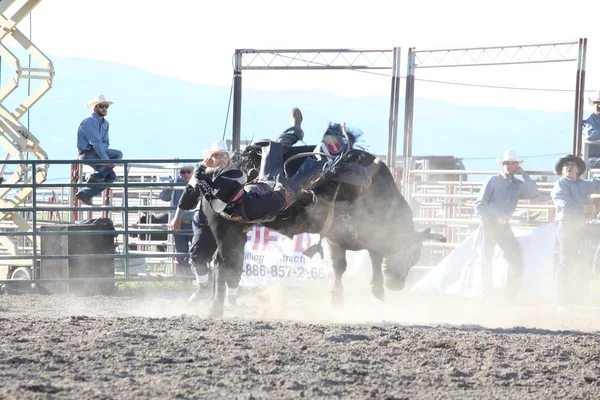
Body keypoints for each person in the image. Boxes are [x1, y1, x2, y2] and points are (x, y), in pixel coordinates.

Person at [474, 150, 540, 299]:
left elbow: (534, 192)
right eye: (507, 163)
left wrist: (524, 174)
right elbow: (479, 204)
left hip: (503, 225)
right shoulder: (492, 180)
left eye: (512, 163)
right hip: (490, 223)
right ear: (502, 165)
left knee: (515, 257)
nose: (510, 166)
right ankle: (487, 295)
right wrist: (485, 223)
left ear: (516, 165)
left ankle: (509, 294)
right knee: (487, 259)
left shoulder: (519, 184)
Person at [170, 140, 230, 302]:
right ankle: (204, 286)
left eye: (224, 156)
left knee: (228, 261)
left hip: (229, 225)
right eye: (217, 156)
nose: (221, 159)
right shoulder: (200, 174)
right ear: (210, 158)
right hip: (207, 222)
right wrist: (178, 216)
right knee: (197, 255)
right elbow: (187, 194)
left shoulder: (234, 174)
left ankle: (229, 297)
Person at [551, 155, 600, 304]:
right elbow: (564, 203)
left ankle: (577, 294)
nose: (568, 166)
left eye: (572, 164)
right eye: (565, 165)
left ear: (578, 170)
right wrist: (584, 209)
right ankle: (560, 299)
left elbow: (597, 183)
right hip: (568, 227)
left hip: (580, 226)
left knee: (570, 261)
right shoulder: (561, 184)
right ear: (562, 170)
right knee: (566, 261)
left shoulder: (583, 184)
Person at [75, 94, 123, 206]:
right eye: (101, 106)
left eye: (106, 106)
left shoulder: (105, 123)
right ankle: (96, 176)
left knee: (111, 176)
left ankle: (85, 193)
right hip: (87, 154)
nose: (104, 108)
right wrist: (106, 160)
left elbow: (105, 142)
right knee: (118, 154)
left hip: (96, 154)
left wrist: (104, 154)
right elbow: (96, 143)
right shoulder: (89, 121)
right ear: (95, 107)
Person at [160, 164, 196, 276]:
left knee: (197, 252)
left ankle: (198, 277)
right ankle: (184, 278)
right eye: (183, 172)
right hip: (179, 224)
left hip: (194, 223)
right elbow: (163, 197)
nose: (186, 174)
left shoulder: (198, 183)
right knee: (181, 253)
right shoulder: (175, 182)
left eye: (188, 172)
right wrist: (169, 188)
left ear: (193, 172)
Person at [583, 89, 600, 168]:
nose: (599, 106)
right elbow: (590, 135)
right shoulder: (589, 120)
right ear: (593, 105)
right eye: (597, 103)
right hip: (594, 158)